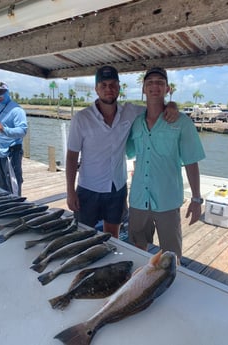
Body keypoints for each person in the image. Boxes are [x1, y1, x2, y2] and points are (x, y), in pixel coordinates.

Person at [66, 65, 178, 239]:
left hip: (116, 188)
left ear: (119, 87)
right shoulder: (81, 118)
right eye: (103, 85)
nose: (108, 89)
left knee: (112, 236)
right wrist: (70, 191)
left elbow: (156, 108)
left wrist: (171, 104)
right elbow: (72, 157)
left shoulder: (131, 112)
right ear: (96, 89)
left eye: (113, 84)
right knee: (82, 235)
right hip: (88, 188)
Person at [126, 66, 205, 260]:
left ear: (167, 89)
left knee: (171, 255)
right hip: (138, 199)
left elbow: (191, 161)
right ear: (143, 89)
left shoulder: (182, 122)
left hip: (167, 200)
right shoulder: (134, 121)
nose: (155, 87)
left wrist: (196, 199)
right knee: (137, 249)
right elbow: (127, 150)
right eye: (150, 83)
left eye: (160, 83)